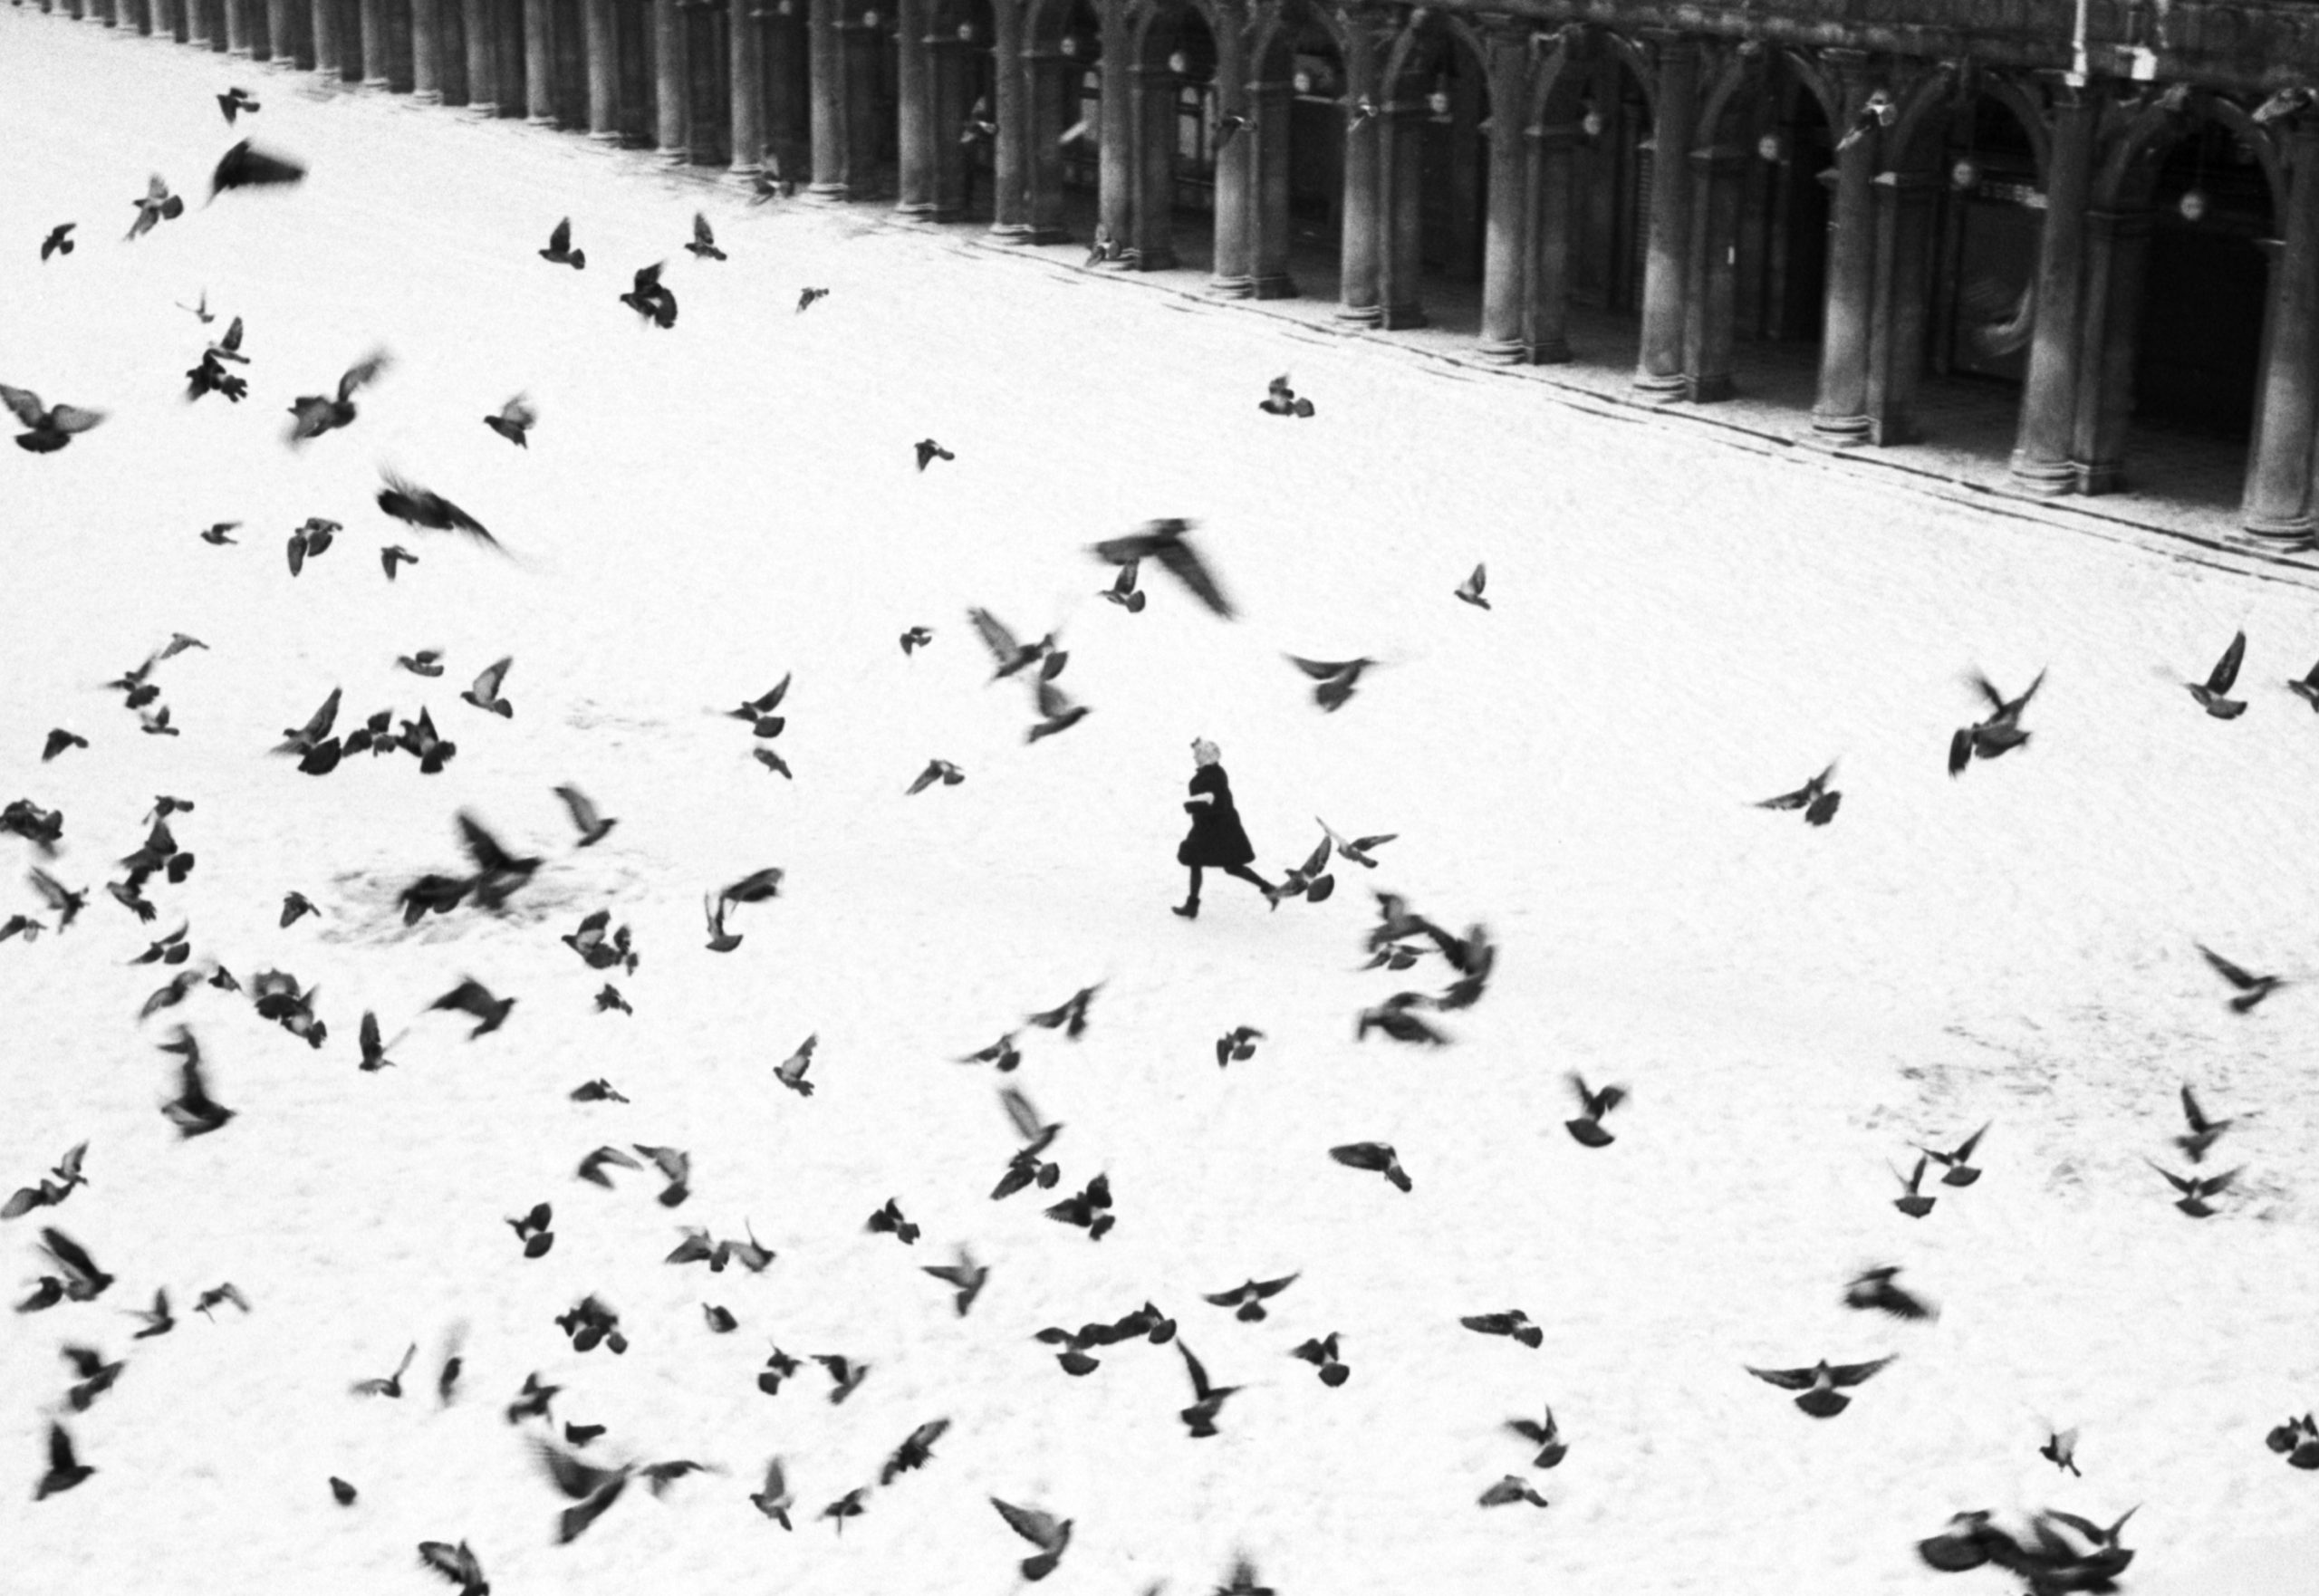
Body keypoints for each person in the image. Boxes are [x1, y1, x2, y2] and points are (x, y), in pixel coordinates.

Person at [1174, 739, 1275, 918]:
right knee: (1227, 866)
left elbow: (1212, 802)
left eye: (1197, 754)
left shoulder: (1210, 776)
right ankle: (1269, 889)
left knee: (1218, 864)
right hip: (1219, 827)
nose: (1194, 757)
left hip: (1214, 829)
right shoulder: (1215, 773)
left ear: (1206, 756)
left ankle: (1192, 905)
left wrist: (1192, 806)